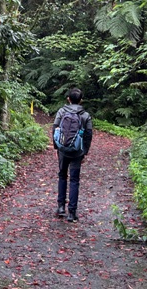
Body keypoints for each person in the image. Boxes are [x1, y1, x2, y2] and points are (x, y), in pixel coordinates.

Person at [53, 88, 93, 222]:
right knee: (74, 180)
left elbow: (55, 128)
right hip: (77, 151)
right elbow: (88, 134)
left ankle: (60, 207)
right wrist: (84, 152)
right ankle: (71, 212)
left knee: (62, 175)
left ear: (68, 99)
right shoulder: (85, 115)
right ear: (81, 100)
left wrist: (56, 147)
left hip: (63, 150)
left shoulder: (61, 111)